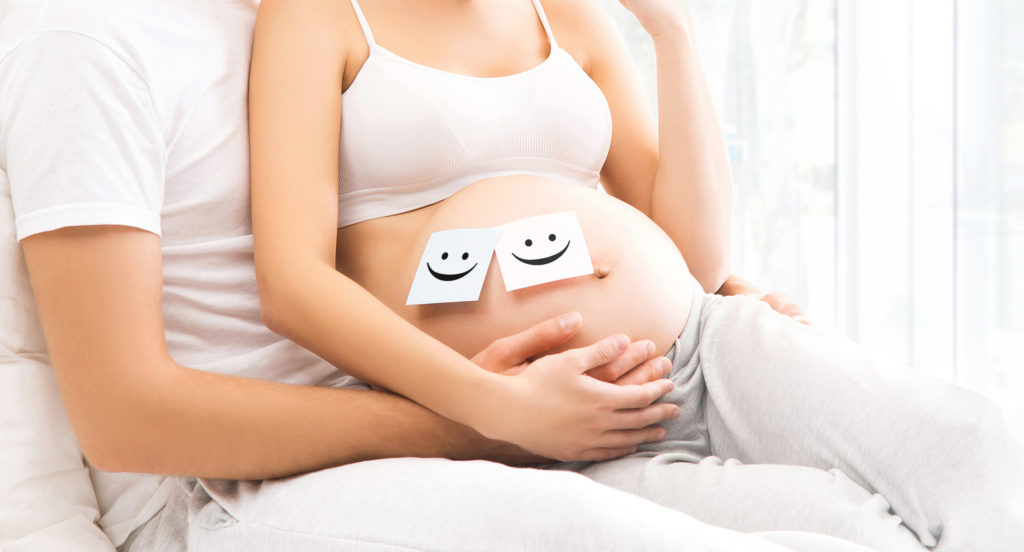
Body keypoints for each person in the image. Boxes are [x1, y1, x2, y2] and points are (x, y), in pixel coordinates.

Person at [0, 1, 872, 551]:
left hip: (438, 410)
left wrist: (700, 286)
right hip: (224, 492)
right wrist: (482, 422)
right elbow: (126, 418)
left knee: (844, 524)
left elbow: (470, 174)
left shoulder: (289, 13)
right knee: (593, 534)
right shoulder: (86, 38)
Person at [245, 0, 1024, 551]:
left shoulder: (569, 15)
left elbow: (697, 253)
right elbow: (293, 284)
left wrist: (672, 32)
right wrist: (495, 408)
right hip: (556, 432)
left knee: (972, 446)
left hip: (704, 343)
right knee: (850, 532)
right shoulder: (316, 12)